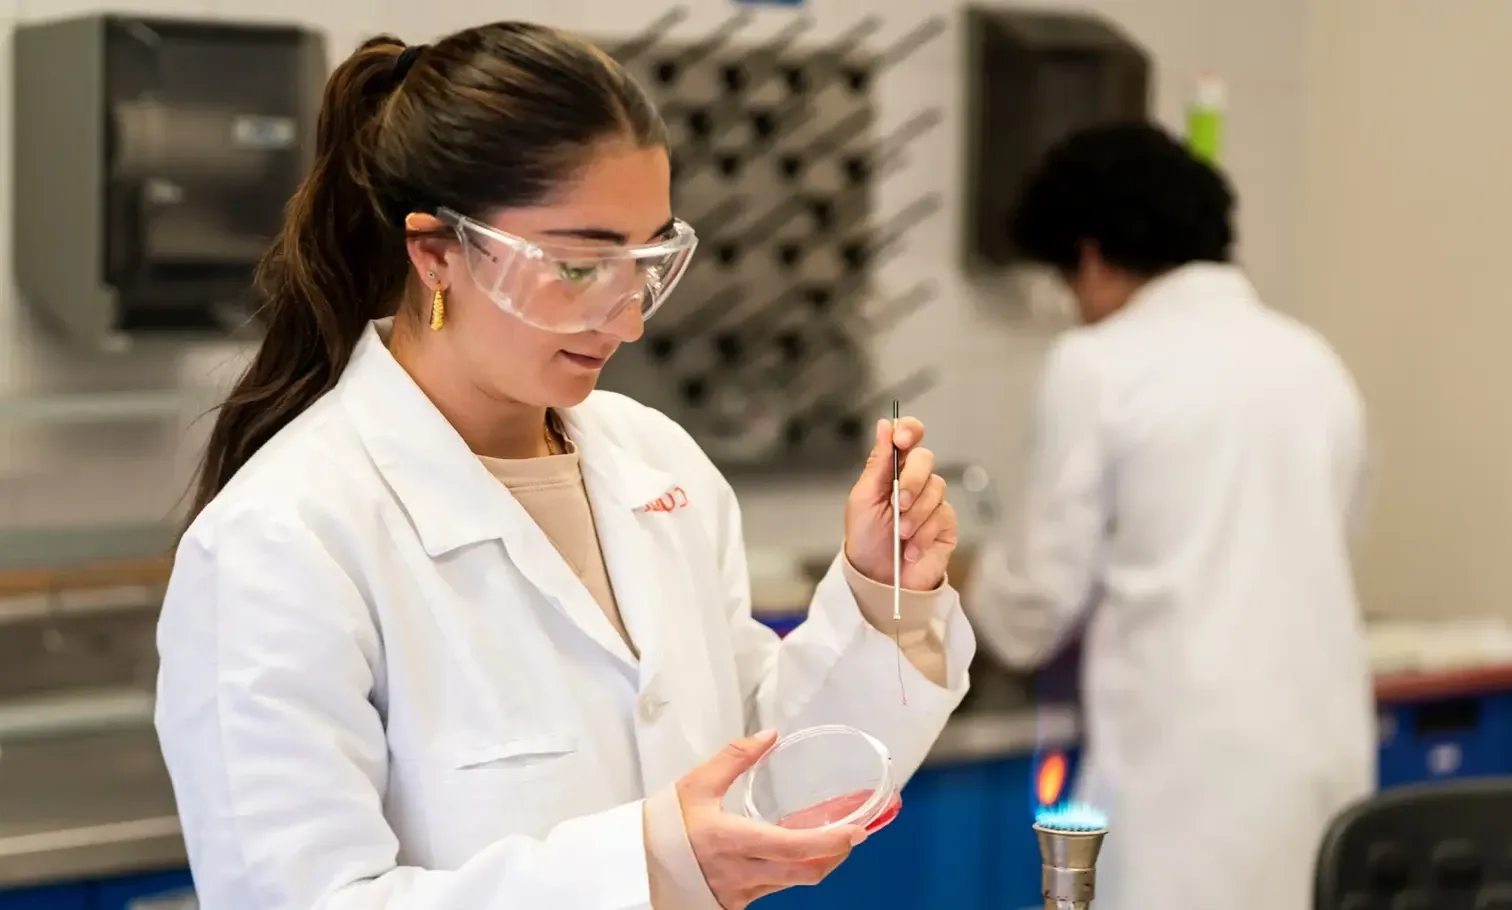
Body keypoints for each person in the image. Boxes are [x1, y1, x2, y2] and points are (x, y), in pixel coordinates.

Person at [153, 24, 974, 910]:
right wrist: (646, 866)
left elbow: (760, 788)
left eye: (648, 261)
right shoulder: (282, 538)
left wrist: (887, 608)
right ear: (435, 252)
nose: (627, 322)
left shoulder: (660, 465)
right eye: (579, 265)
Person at [961, 122, 1375, 910]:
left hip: (1183, 790)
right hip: (1322, 762)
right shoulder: (1313, 362)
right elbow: (1331, 539)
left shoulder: (1098, 365)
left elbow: (1034, 608)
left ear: (1088, 256)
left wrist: (963, 576)